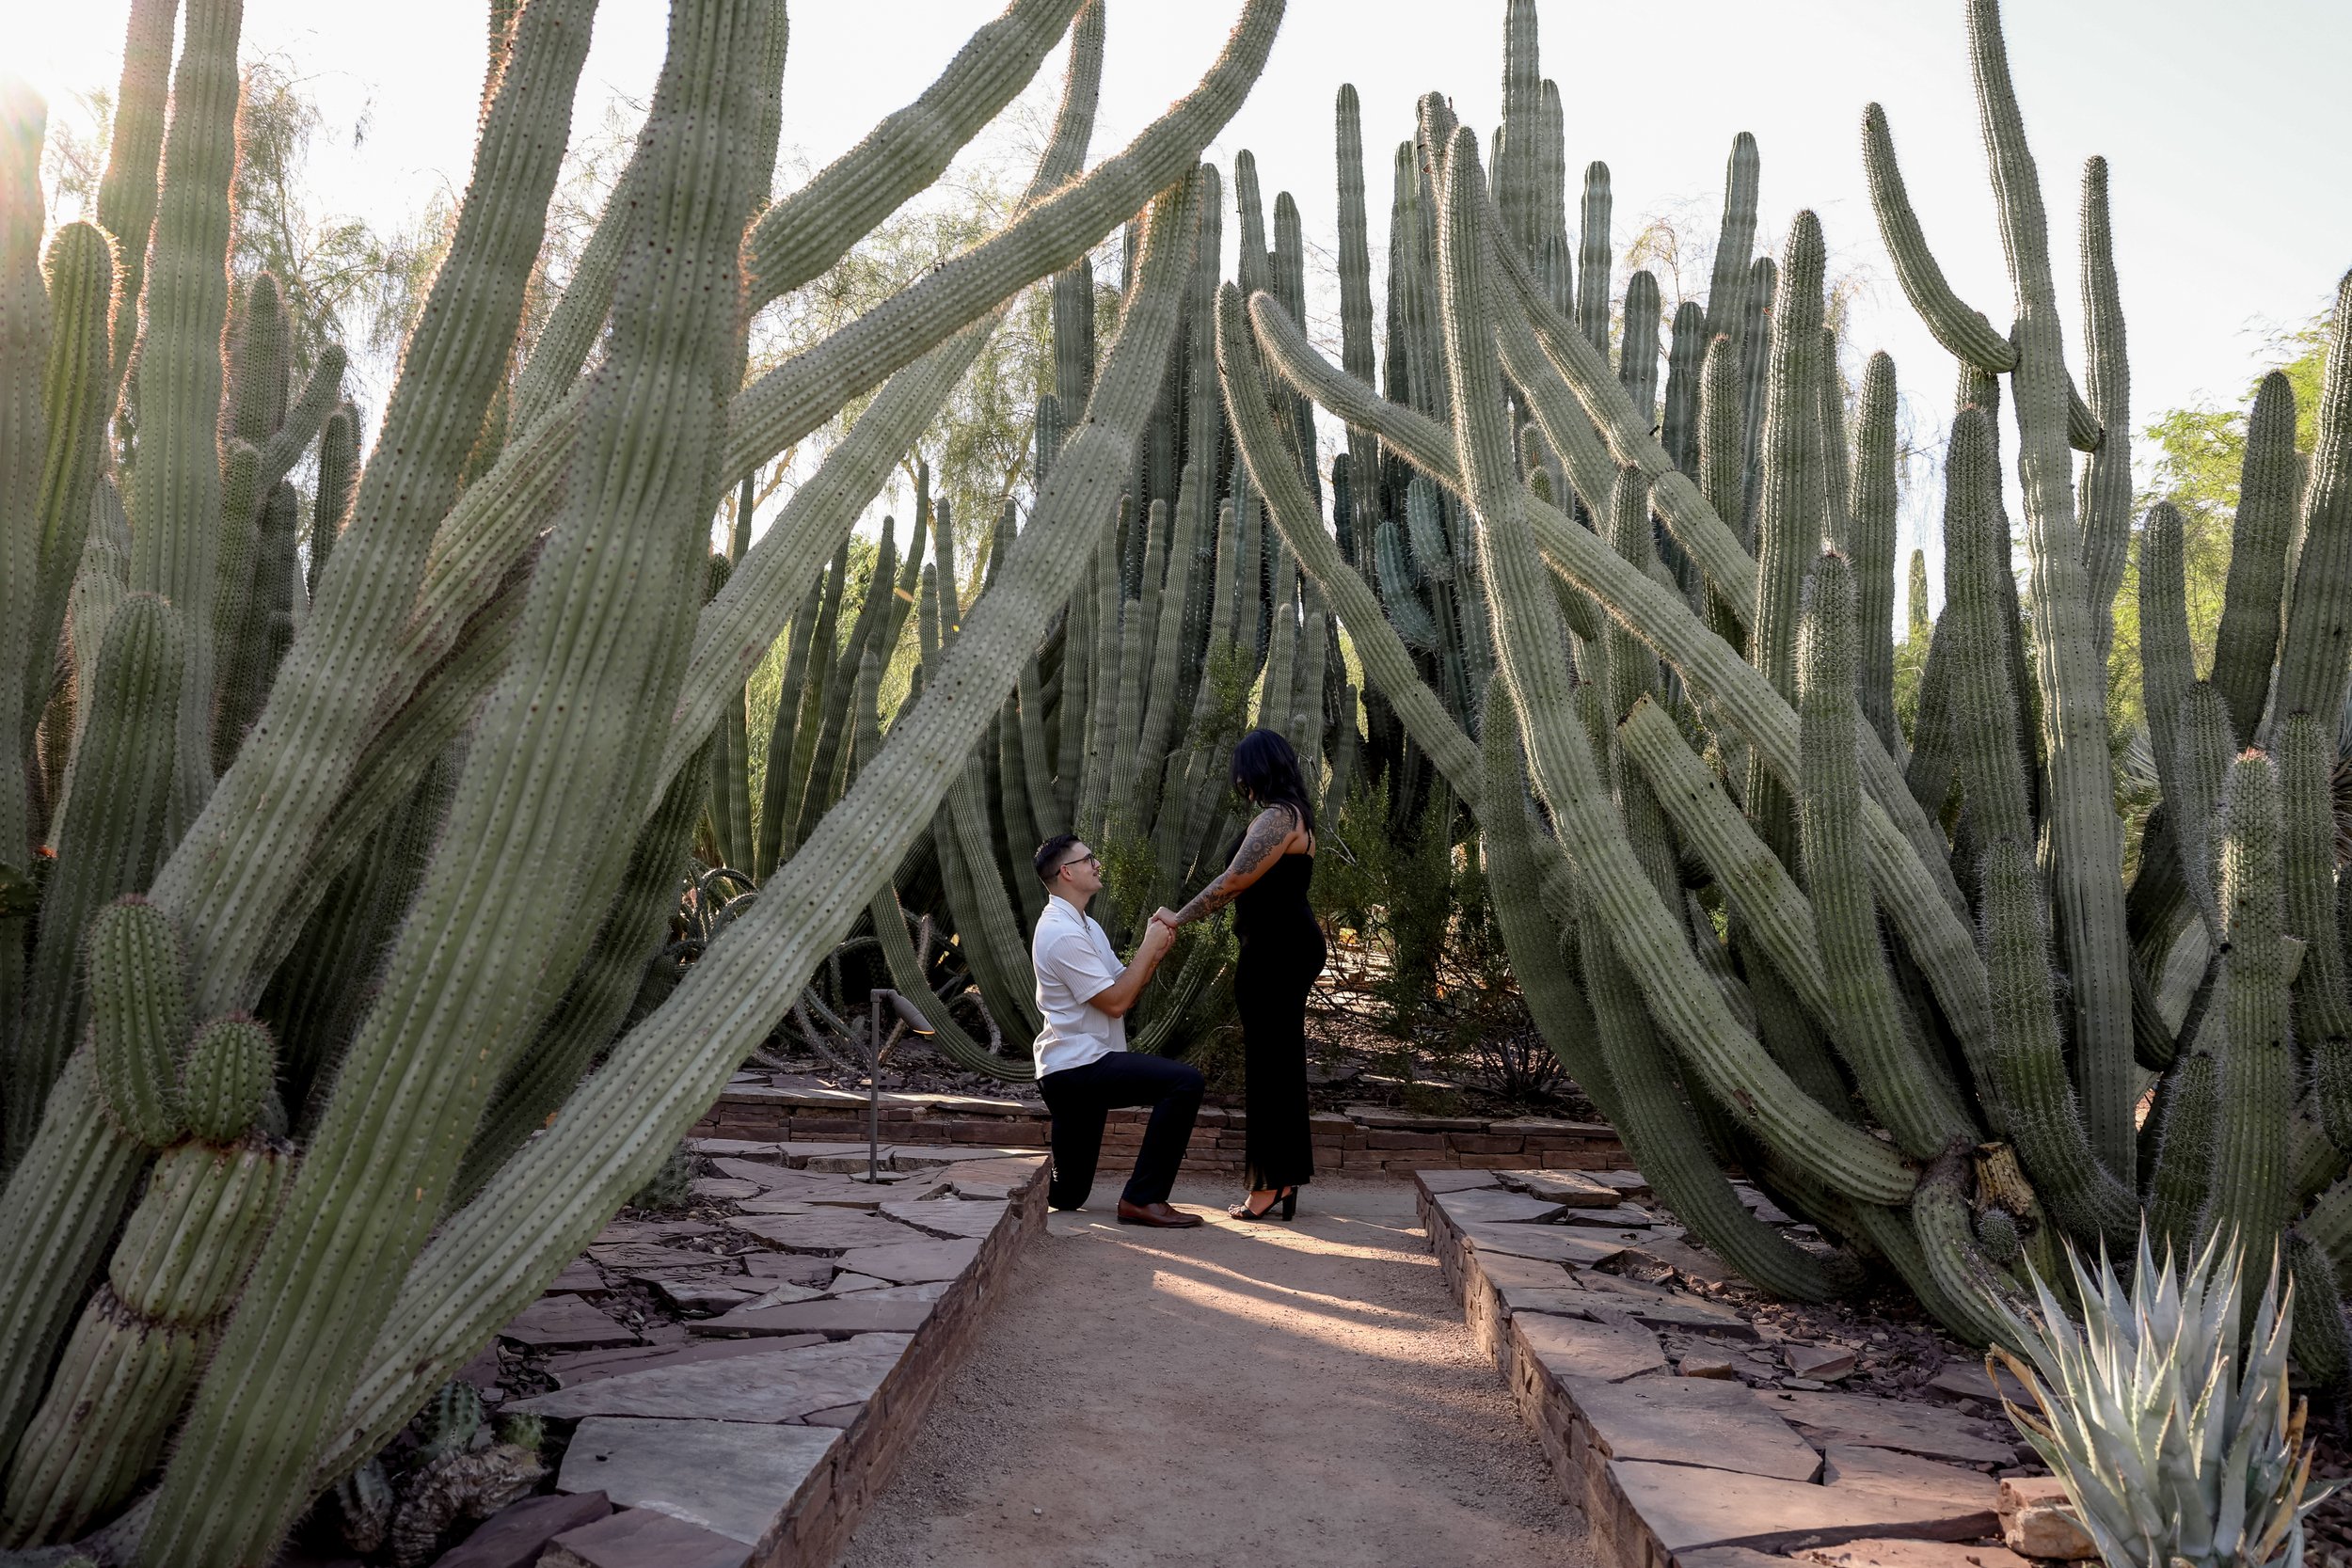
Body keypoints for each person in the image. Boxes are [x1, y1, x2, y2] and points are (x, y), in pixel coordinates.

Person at [1153, 728, 1326, 1221]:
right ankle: (1284, 1179)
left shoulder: (1277, 818)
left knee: (1269, 1067)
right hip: (1285, 946)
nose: (1239, 780)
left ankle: (1267, 1187)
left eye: (1241, 771)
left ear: (1254, 770)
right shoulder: (1296, 816)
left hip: (1276, 951)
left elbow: (1234, 881)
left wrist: (1178, 916)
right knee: (1281, 1065)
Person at [1028, 832, 1205, 1228]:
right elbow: (1115, 1003)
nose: (1097, 864)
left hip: (1083, 1065)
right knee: (1184, 1082)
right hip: (1076, 1068)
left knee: (1069, 1196)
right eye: (1089, 858)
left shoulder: (1086, 925)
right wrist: (1147, 945)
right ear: (1067, 873)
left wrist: (1155, 950)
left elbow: (1124, 986)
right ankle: (1142, 1201)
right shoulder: (1060, 932)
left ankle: (1015, 1180)